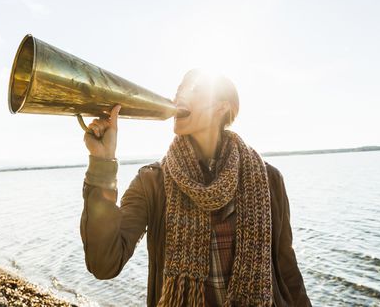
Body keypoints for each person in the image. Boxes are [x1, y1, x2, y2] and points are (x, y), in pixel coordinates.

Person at [80, 69, 312, 307]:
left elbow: (287, 270)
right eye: (179, 90)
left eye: (195, 90)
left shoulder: (269, 179)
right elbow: (104, 263)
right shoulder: (152, 182)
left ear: (223, 107)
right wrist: (102, 163)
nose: (180, 96)